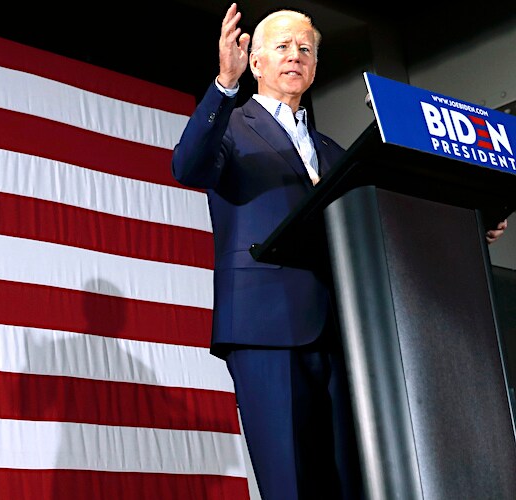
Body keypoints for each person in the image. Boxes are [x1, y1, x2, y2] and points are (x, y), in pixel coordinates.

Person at [171, 4, 507, 499]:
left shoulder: (332, 149)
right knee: (292, 482)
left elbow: (378, 215)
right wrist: (224, 84)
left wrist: (465, 225)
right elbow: (189, 166)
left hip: (343, 331)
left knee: (351, 479)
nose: (295, 56)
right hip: (267, 329)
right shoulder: (232, 128)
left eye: (305, 49)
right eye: (282, 46)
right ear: (255, 62)